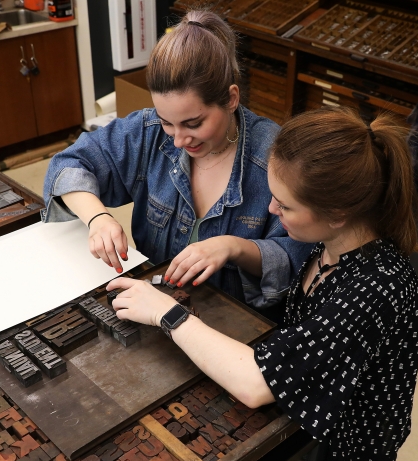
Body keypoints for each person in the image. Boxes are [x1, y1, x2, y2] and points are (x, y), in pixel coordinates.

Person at [107, 108, 418, 461]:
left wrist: (166, 313)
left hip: (341, 458)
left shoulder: (374, 288)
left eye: (286, 205)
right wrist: (236, 248)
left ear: (338, 213)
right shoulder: (331, 246)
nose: (272, 210)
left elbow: (257, 383)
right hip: (313, 424)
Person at [42, 10, 312, 310]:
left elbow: (301, 257)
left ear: (231, 98)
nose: (178, 140)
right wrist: (98, 218)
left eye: (194, 123)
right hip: (155, 309)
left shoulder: (274, 156)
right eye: (167, 122)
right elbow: (69, 164)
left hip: (234, 330)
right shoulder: (149, 132)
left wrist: (235, 247)